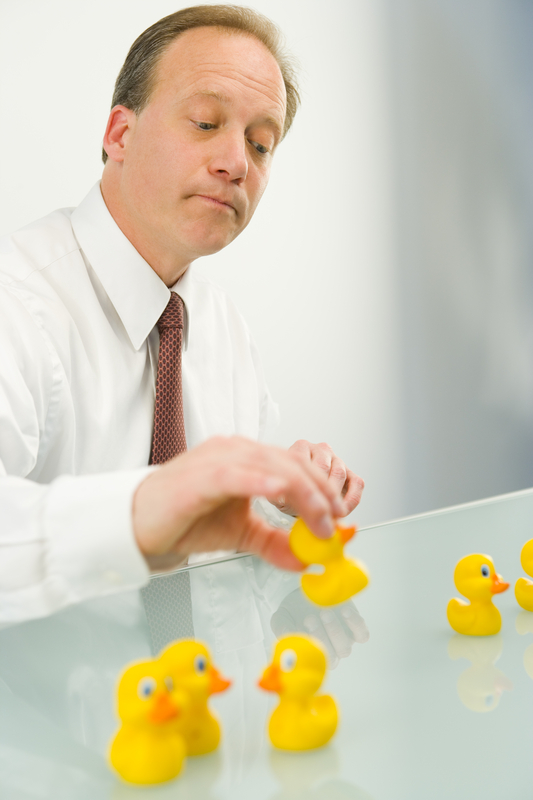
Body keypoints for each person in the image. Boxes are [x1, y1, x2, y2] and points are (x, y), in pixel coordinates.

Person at [0, 5, 364, 626]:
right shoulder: (17, 303)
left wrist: (279, 511)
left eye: (261, 143)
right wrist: (137, 513)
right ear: (120, 134)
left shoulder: (222, 329)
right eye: (204, 122)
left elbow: (215, 570)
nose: (236, 164)